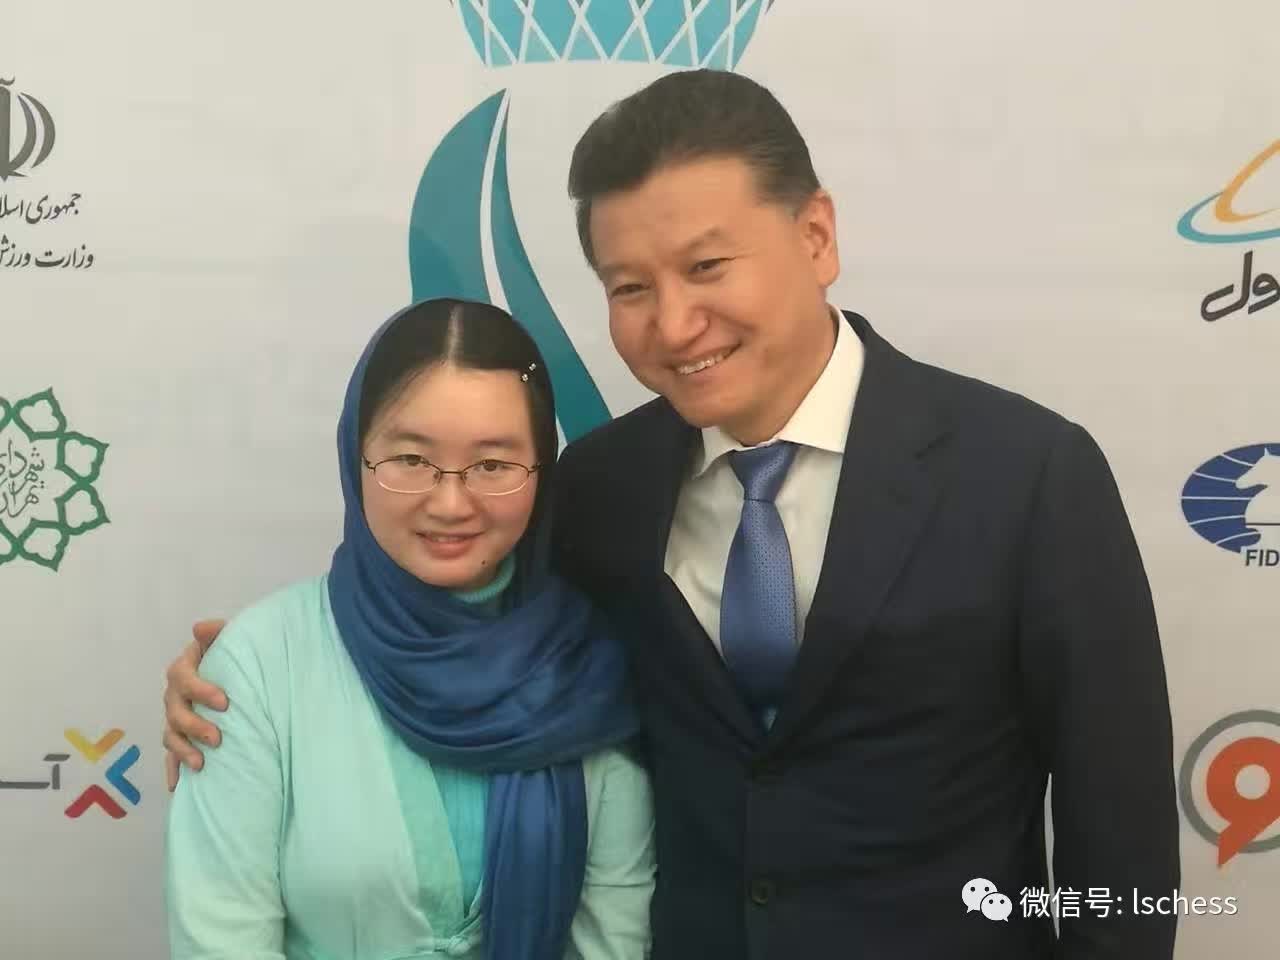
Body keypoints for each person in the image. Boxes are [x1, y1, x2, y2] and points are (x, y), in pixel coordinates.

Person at [163, 70, 1180, 959]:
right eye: (629, 287)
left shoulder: (1026, 475)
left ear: (816, 235)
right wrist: (242, 685)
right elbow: (480, 633)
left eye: (705, 267)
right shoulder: (600, 487)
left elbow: (1122, 838)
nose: (675, 323)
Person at [164, 298, 655, 960]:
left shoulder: (585, 670)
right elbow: (221, 939)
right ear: (356, 457)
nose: (450, 503)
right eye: (411, 460)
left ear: (541, 471)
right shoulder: (255, 668)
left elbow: (614, 940)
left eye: (493, 465)